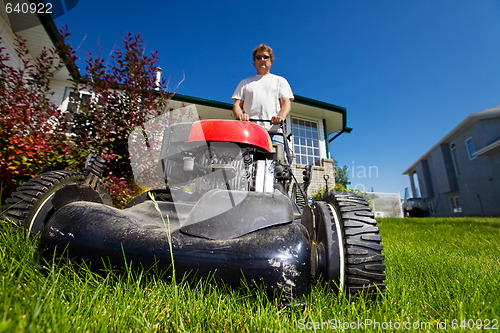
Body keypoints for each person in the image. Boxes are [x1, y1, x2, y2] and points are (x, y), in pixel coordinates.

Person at [232, 44, 294, 144]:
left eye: (265, 57)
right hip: (250, 132)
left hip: (275, 133)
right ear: (254, 61)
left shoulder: (280, 80)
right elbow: (237, 105)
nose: (262, 59)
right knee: (248, 159)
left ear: (271, 60)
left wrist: (281, 117)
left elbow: (286, 102)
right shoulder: (245, 83)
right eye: (258, 57)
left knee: (277, 159)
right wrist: (240, 116)